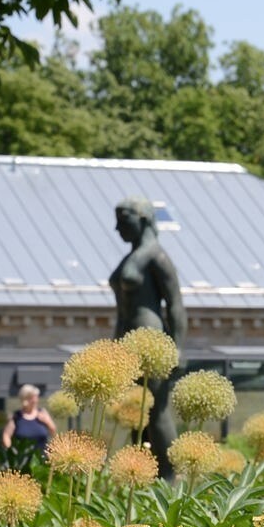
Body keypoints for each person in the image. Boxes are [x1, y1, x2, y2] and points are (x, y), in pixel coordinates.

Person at [109, 196, 186, 473]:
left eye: (123, 221)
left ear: (142, 219)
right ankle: (139, 472)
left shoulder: (156, 256)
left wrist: (177, 348)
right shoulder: (132, 256)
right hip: (125, 345)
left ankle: (170, 475)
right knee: (132, 413)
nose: (117, 229)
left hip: (151, 343)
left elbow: (175, 305)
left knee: (156, 411)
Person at [1, 384, 56, 454]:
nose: (35, 400)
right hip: (22, 461)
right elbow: (6, 435)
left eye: (36, 397)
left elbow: (53, 431)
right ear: (25, 399)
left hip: (42, 460)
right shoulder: (16, 417)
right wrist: (11, 451)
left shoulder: (42, 413)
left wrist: (47, 421)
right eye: (32, 398)